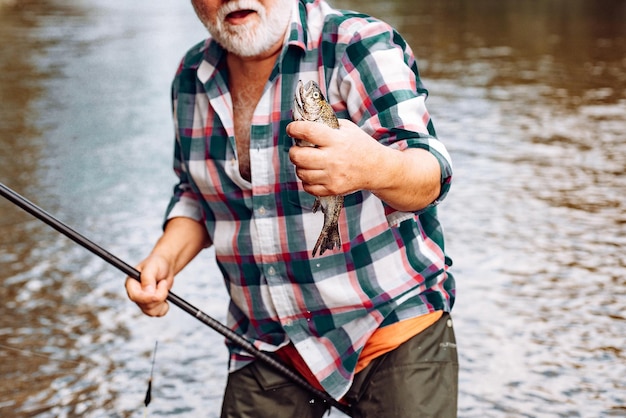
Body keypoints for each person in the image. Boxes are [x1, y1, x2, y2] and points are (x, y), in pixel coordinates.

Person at [125, 0, 458, 416]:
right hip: (267, 343)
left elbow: (432, 174)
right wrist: (164, 260)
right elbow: (196, 196)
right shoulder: (191, 77)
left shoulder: (356, 43)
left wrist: (374, 166)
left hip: (389, 325)